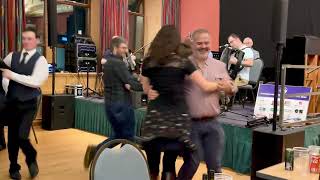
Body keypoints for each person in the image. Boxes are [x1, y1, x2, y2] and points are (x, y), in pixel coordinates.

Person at [140, 25, 232, 180]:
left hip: (154, 118)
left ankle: (153, 175)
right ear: (175, 41)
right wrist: (220, 85)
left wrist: (150, 91)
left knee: (153, 163)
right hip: (177, 120)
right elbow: (205, 85)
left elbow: (144, 86)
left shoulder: (148, 62)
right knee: (169, 162)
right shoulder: (183, 62)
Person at [83, 36, 142, 169]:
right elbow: (130, 82)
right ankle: (125, 166)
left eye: (126, 47)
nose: (126, 50)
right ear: (115, 48)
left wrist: (129, 81)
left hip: (110, 104)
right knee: (128, 138)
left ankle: (96, 151)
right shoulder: (118, 63)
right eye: (123, 47)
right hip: (122, 105)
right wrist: (144, 83)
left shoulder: (108, 61)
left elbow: (124, 81)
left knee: (120, 136)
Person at [0, 27, 49, 179]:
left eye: (30, 38)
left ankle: (31, 158)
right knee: (13, 138)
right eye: (24, 38)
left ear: (37, 41)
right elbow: (3, 73)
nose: (26, 41)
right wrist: (6, 84)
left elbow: (36, 81)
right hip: (12, 104)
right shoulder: (12, 56)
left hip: (29, 105)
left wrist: (12, 75)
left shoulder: (41, 61)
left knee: (22, 136)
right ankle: (13, 168)